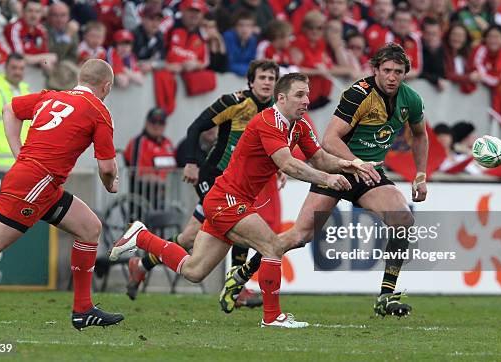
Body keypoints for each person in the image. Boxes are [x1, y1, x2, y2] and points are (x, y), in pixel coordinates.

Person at [110, 72, 374, 328]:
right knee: (272, 246)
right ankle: (272, 317)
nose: (306, 100)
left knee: (193, 271)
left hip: (230, 199)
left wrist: (348, 164)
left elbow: (319, 158)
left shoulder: (300, 125)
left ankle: (141, 237)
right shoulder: (268, 120)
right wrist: (327, 179)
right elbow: (288, 164)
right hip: (227, 198)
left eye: (308, 95)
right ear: (281, 98)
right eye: (300, 95)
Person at [219, 43, 428, 318]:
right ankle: (242, 274)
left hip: (370, 173)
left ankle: (386, 296)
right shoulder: (358, 94)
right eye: (386, 70)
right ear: (375, 69)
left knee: (402, 220)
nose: (392, 76)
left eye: (398, 72)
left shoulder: (410, 100)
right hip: (337, 169)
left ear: (405, 74)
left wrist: (421, 175)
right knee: (299, 236)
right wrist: (355, 163)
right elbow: (330, 139)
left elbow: (420, 135)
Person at [0, 59, 123, 330]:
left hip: (43, 185)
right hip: (35, 183)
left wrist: (18, 153)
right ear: (107, 86)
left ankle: (83, 310)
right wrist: (111, 183)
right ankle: (82, 308)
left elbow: (10, 109)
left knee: (90, 228)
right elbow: (106, 167)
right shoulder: (98, 110)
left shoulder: (52, 97)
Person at [124, 60, 280, 309]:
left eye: (271, 78)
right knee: (238, 222)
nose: (266, 82)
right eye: (262, 77)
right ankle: (237, 288)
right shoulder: (235, 102)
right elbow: (195, 127)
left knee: (188, 238)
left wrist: (278, 168)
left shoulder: (274, 111)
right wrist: (191, 162)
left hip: (237, 184)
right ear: (251, 81)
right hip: (213, 177)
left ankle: (141, 263)